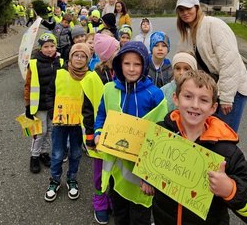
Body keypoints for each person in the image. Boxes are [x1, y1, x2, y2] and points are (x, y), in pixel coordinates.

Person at [144, 70, 247, 224]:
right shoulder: (161, 132)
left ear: (213, 108)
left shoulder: (227, 152)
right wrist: (146, 177)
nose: (195, 105)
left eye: (203, 100)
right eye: (188, 96)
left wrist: (231, 190)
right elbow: (148, 163)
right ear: (176, 98)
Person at [94, 41, 168, 225]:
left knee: (139, 217)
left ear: (144, 65)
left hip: (141, 176)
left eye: (137, 64)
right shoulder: (109, 89)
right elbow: (102, 113)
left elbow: (161, 136)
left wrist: (150, 176)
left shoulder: (155, 95)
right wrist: (98, 131)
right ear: (119, 64)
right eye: (127, 63)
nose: (132, 69)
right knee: (119, 214)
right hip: (116, 171)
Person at [175, 0, 247, 132]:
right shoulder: (190, 32)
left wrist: (226, 97)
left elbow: (230, 61)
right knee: (211, 132)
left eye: (188, 8)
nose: (185, 13)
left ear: (197, 8)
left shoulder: (213, 25)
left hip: (233, 89)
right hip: (216, 88)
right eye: (181, 10)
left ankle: (230, 155)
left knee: (224, 135)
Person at [44, 43, 91, 202]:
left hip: (78, 125)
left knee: (76, 154)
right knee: (57, 153)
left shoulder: (89, 77)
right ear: (70, 57)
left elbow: (91, 101)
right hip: (60, 123)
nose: (79, 58)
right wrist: (52, 112)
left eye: (83, 56)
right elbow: (50, 94)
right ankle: (55, 180)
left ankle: (72, 179)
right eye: (76, 55)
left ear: (87, 59)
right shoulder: (60, 73)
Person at [81, 33, 120, 224]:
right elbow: (87, 111)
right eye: (117, 49)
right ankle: (100, 202)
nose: (121, 53)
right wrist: (89, 137)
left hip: (117, 134)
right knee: (100, 173)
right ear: (108, 54)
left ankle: (112, 198)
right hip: (98, 135)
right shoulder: (92, 78)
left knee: (114, 170)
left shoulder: (121, 73)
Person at [24, 32, 63, 173]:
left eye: (52, 46)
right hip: (38, 105)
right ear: (40, 48)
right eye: (46, 46)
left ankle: (44, 153)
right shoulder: (33, 63)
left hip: (53, 105)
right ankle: (34, 156)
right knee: (40, 131)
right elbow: (28, 86)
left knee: (51, 130)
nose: (49, 49)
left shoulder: (60, 62)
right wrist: (28, 105)